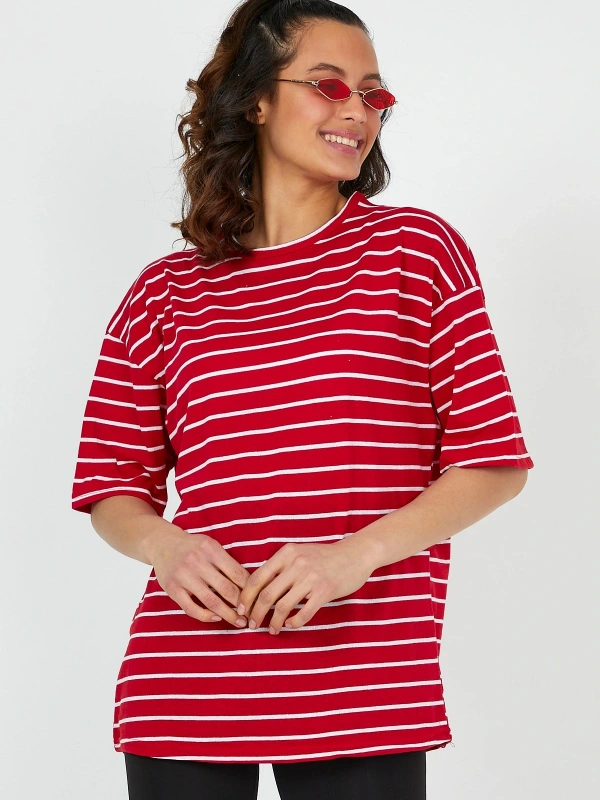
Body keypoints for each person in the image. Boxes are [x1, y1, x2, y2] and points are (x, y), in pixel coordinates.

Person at [70, 1, 534, 798]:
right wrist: (165, 548)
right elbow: (112, 484)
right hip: (184, 686)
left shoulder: (415, 254)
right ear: (256, 99)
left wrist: (353, 557)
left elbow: (494, 462)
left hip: (362, 683)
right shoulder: (164, 294)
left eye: (374, 94)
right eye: (328, 85)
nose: (357, 110)